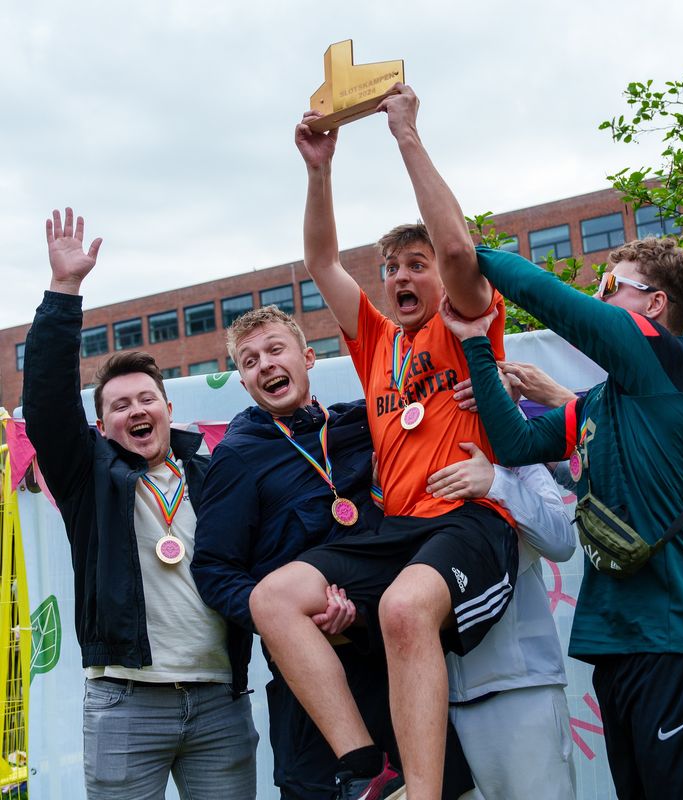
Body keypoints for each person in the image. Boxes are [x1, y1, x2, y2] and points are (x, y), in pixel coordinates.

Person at [248, 85, 517, 800]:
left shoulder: (466, 322)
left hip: (470, 524)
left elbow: (458, 246)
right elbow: (322, 261)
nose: (400, 275)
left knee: (402, 608)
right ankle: (365, 761)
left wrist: (405, 134)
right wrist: (318, 169)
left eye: (415, 264)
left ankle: (424, 794)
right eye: (392, 266)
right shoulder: (376, 341)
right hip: (395, 531)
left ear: (443, 279)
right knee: (274, 598)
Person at [439, 236, 683, 800]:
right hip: (617, 646)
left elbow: (556, 302)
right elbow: (514, 443)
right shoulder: (600, 401)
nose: (598, 296)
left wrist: (464, 249)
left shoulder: (678, 367)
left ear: (654, 304)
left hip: (681, 644)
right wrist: (476, 343)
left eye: (609, 285)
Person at [22, 208, 258, 799]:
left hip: (219, 701)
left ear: (169, 411)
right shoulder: (88, 479)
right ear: (102, 426)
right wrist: (64, 290)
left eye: (146, 399)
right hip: (125, 703)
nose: (136, 411)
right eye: (120, 405)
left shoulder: (215, 474)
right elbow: (47, 401)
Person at [191, 305, 398, 799]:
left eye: (275, 350)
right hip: (309, 695)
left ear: (307, 358)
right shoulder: (237, 456)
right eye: (249, 361)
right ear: (244, 382)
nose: (264, 364)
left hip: (395, 664)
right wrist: (292, 621)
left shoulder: (363, 424)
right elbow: (215, 570)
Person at [428, 428, 577, 799]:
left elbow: (561, 539)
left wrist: (496, 480)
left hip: (521, 690)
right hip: (438, 704)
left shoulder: (507, 440)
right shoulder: (402, 451)